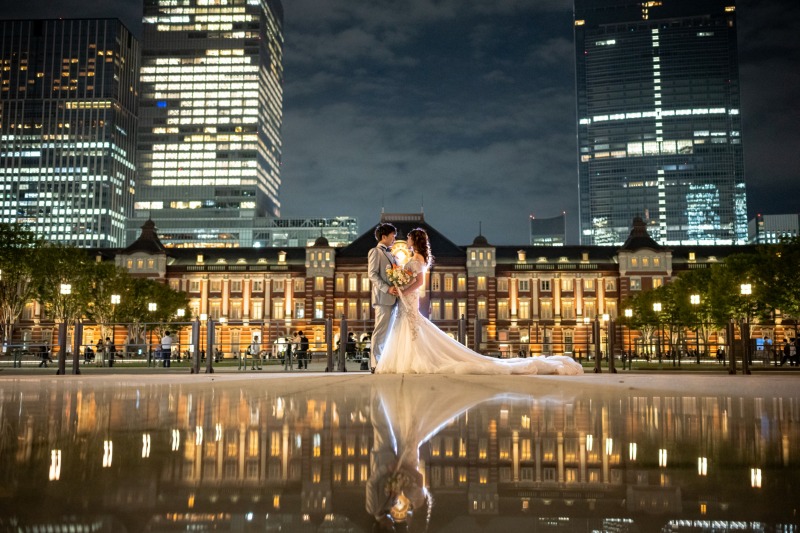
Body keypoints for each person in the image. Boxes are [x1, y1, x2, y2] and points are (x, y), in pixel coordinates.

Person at [375, 228, 583, 376]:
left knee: (412, 329)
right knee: (410, 329)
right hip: (407, 300)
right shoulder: (417, 257)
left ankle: (412, 362)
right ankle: (408, 361)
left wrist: (402, 289)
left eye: (409, 238)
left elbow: (419, 282)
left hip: (408, 298)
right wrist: (401, 285)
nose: (407, 240)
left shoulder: (418, 259)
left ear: (415, 241)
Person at [368, 222, 400, 373]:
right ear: (384, 236)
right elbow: (372, 274)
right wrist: (387, 288)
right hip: (383, 298)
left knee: (387, 333)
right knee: (380, 331)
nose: (394, 238)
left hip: (393, 299)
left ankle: (383, 362)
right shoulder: (375, 252)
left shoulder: (390, 254)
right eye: (393, 235)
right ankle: (375, 363)